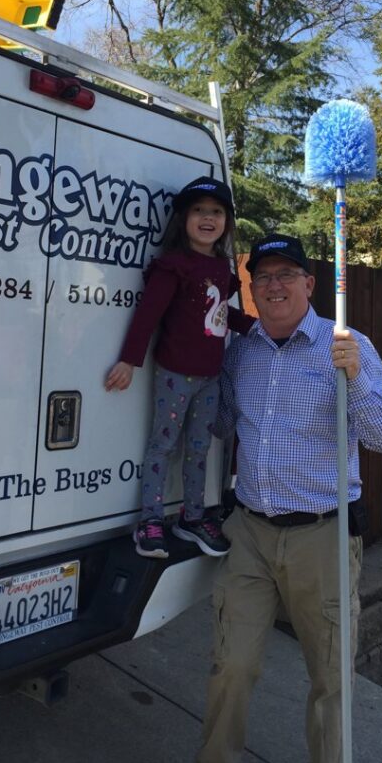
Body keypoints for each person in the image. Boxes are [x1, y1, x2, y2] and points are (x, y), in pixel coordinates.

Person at [163, 233, 382, 763]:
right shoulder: (240, 352)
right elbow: (216, 420)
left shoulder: (344, 346)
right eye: (262, 276)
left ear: (309, 284)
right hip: (250, 530)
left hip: (321, 537)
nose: (273, 285)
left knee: (330, 681)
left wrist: (353, 378)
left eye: (286, 275)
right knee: (231, 665)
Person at [105, 176, 254, 560]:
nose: (208, 218)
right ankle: (150, 522)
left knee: (200, 450)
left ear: (227, 222)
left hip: (210, 376)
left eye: (217, 212)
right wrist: (129, 360)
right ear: (183, 219)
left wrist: (256, 327)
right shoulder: (174, 266)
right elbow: (148, 315)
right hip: (175, 373)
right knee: (163, 447)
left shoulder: (221, 268)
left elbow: (219, 315)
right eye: (199, 211)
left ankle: (192, 518)